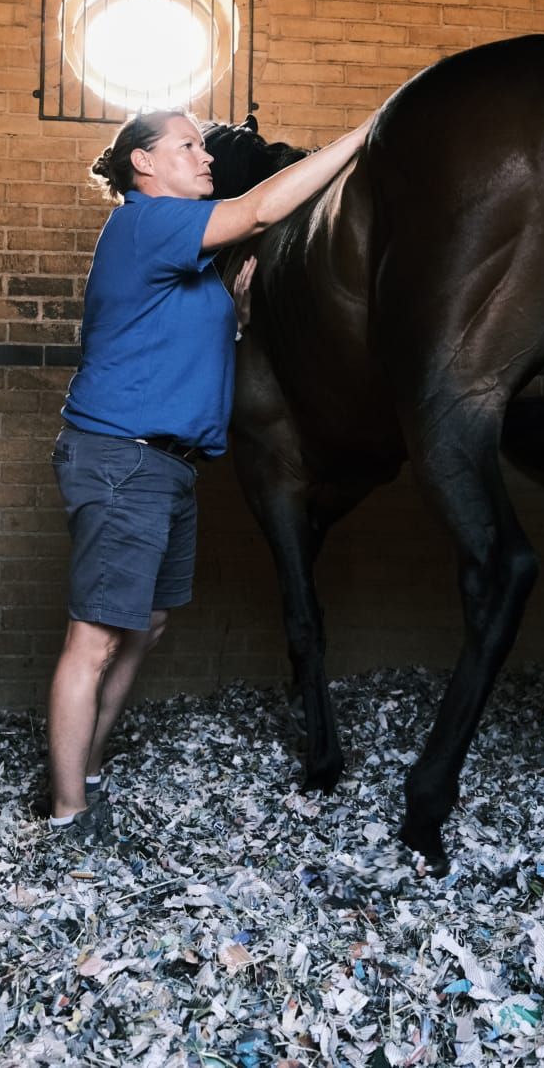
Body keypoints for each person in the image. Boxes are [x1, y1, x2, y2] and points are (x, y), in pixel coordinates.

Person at [46, 104, 374, 841]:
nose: (205, 157)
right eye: (188, 146)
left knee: (148, 624)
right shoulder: (148, 221)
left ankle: (88, 767)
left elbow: (163, 331)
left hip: (166, 465)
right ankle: (67, 813)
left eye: (203, 145)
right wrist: (363, 135)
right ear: (145, 164)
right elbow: (260, 209)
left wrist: (231, 311)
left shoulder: (182, 259)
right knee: (94, 638)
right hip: (122, 458)